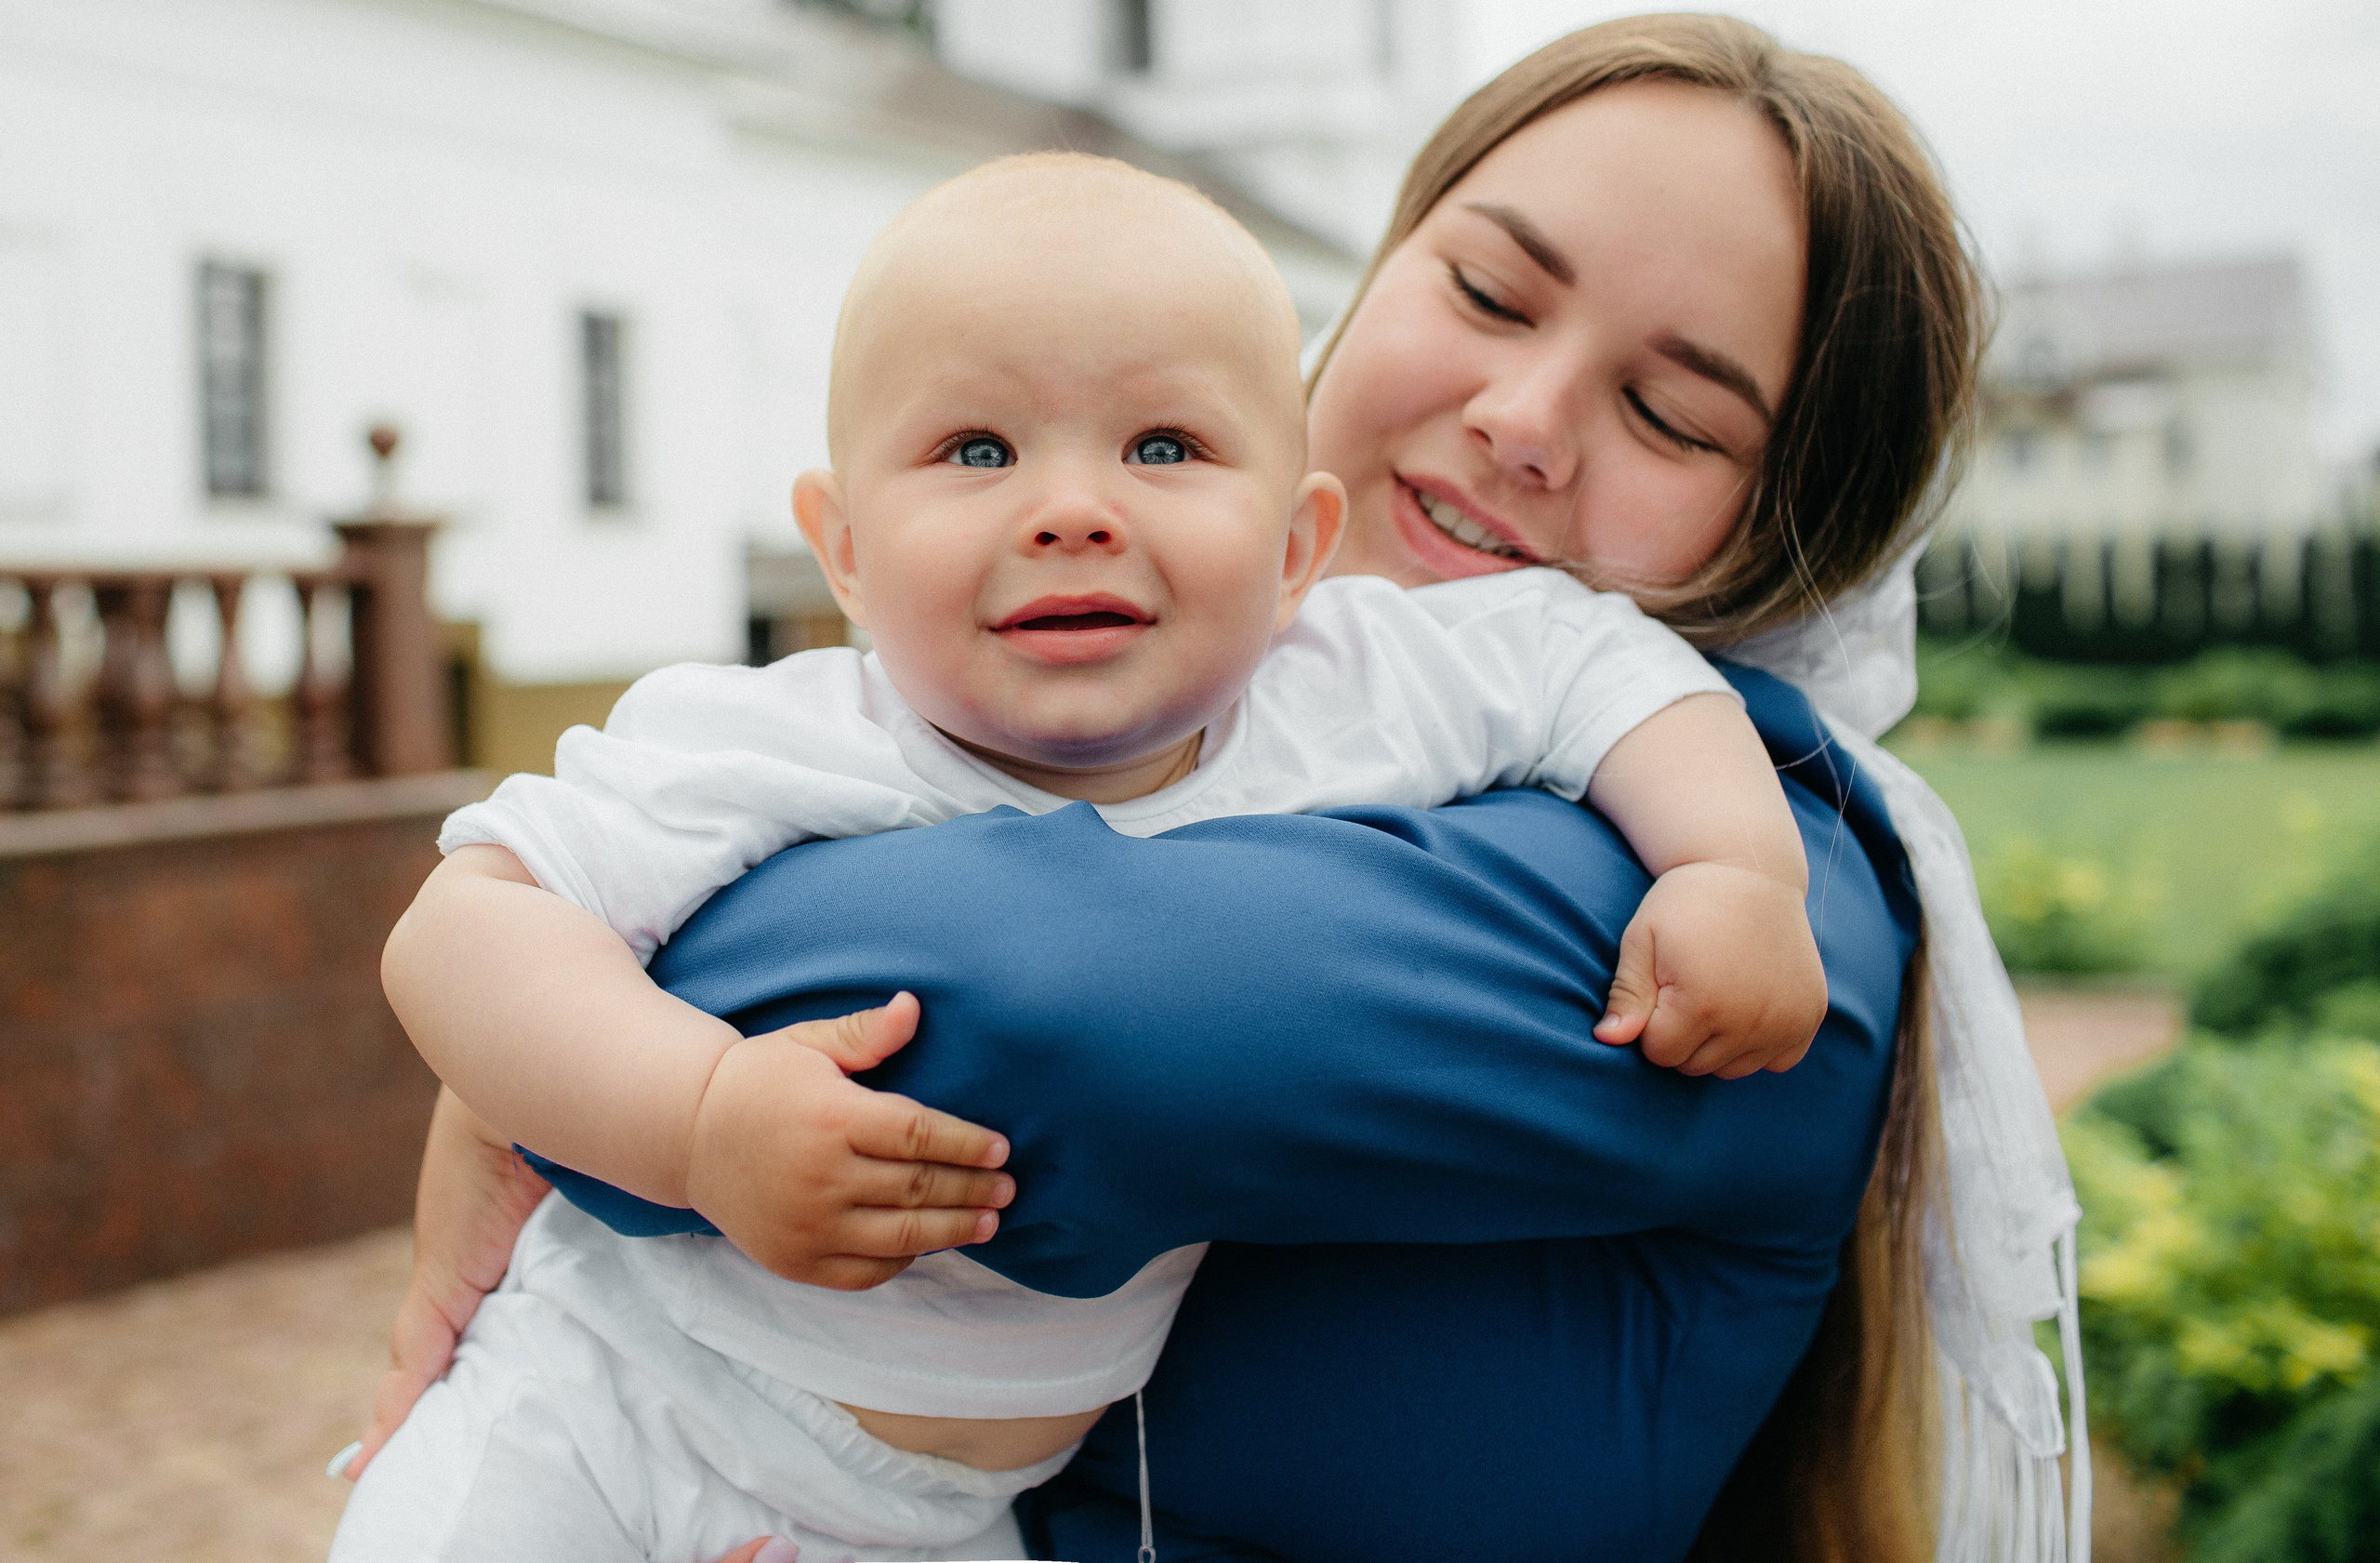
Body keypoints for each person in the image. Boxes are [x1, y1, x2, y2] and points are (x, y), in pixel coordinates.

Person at [342, 16, 2085, 1561]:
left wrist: (578, 1074)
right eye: (1487, 292)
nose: (1523, 414)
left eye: (1675, 415)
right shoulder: (924, 710)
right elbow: (505, 924)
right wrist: (602, 1054)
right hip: (639, 1426)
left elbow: (1045, 1008)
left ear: (1797, 535)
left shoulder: (1762, 907)